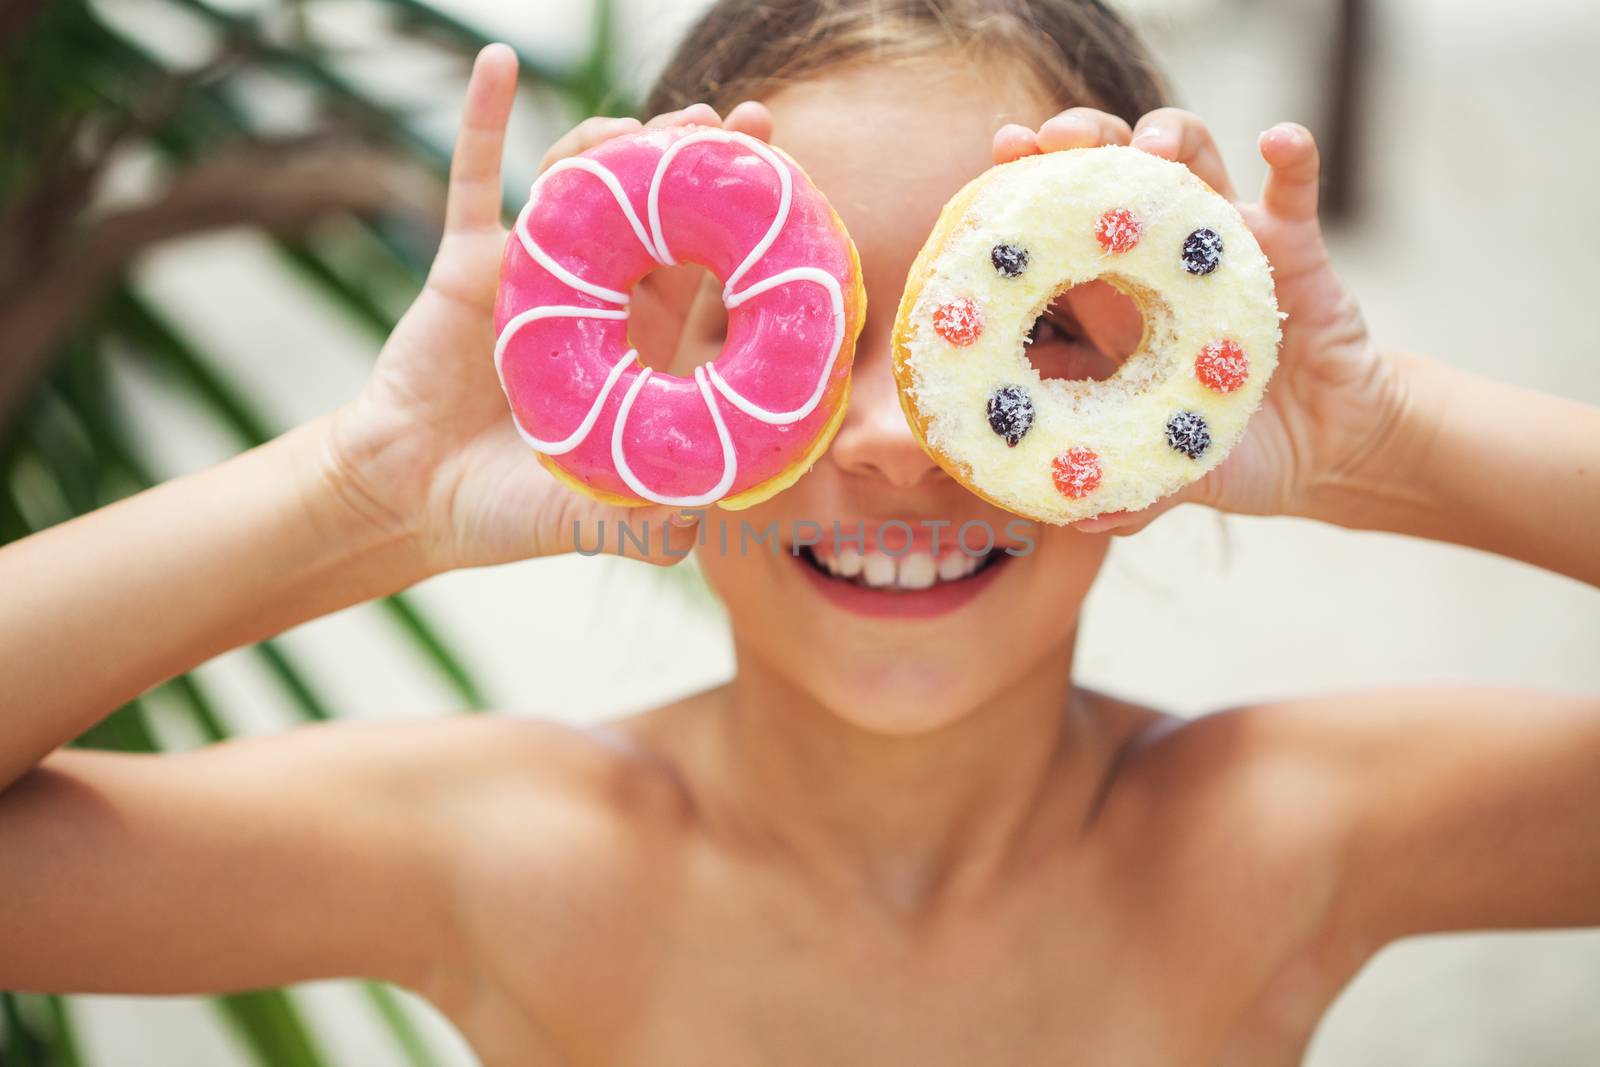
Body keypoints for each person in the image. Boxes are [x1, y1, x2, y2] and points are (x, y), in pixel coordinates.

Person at [3, 1, 1598, 1063]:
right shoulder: (513, 857)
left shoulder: (1275, 840)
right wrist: (371, 490)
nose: (902, 445)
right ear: (627, 368)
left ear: (1172, 378)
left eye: (1035, 336)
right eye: (795, 332)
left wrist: (1379, 437)